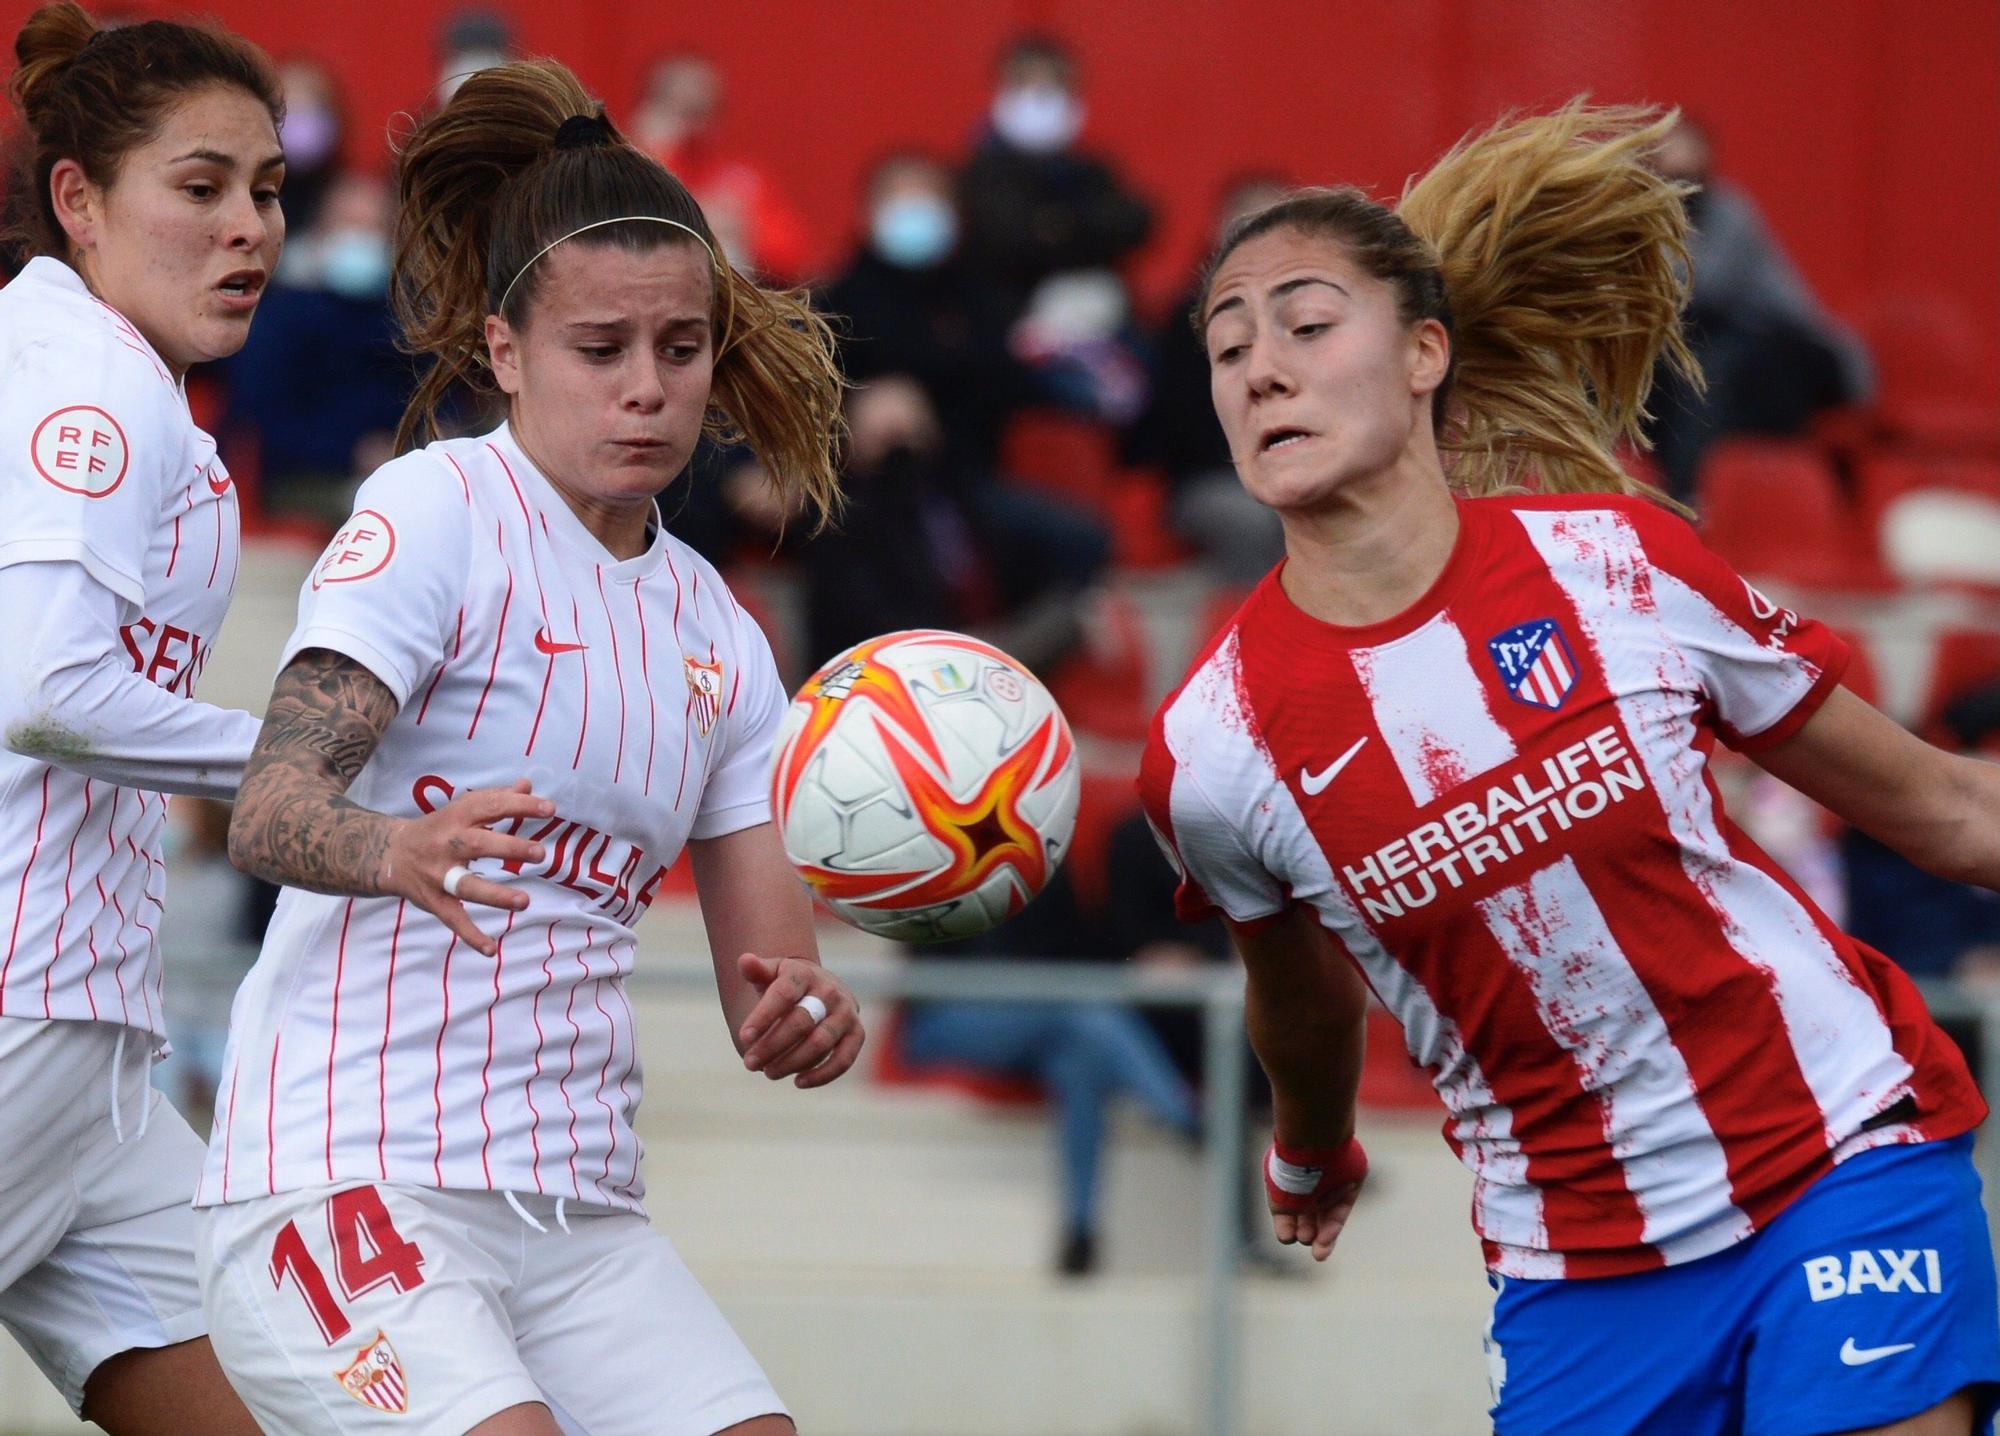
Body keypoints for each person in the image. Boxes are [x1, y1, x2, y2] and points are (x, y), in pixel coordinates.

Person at [1138, 104, 1998, 1436]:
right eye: (1228, 344)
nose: (1261, 370)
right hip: (1578, 1272)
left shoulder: (1614, 563)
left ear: (1426, 353)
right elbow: (1298, 1001)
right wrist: (1312, 1146)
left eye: (1307, 328)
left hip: (1837, 1153)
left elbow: (1942, 807)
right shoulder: (1213, 747)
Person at [199, 60, 861, 1436]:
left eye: (680, 351)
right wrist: (396, 846)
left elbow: (769, 985)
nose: (646, 391)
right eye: (599, 351)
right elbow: (267, 811)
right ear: (506, 353)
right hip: (347, 1173)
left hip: (575, 1213)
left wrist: (808, 1016)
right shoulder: (437, 514)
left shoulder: (722, 638)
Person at [0, 4, 281, 1430]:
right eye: (201, 186)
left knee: (286, 1409)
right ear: (78, 201)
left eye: (269, 189)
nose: (250, 227)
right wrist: (303, 769)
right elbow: (45, 696)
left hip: (90, 1042)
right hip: (17, 1004)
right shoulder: (90, 386)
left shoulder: (105, 374)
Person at [1644, 114, 1873, 504]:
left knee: (1705, 375)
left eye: (1686, 150)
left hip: (1784, 349)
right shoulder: (1642, 211)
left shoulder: (1729, 213)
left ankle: (1691, 500)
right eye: (1667, 152)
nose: (1677, 163)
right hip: (1713, 346)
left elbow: (1701, 286)